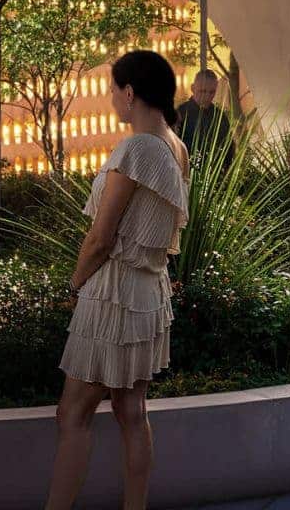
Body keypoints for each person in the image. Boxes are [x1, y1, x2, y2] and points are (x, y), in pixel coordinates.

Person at [46, 49, 190, 510]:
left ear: (129, 93)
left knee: (73, 412)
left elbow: (100, 237)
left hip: (114, 292)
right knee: (132, 411)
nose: (111, 99)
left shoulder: (137, 147)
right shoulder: (174, 145)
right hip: (149, 290)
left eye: (113, 90)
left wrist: (73, 285)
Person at [174, 68, 235, 169]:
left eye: (212, 92)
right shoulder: (180, 113)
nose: (207, 96)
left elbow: (229, 148)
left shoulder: (220, 117)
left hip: (216, 176)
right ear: (193, 88)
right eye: (203, 91)